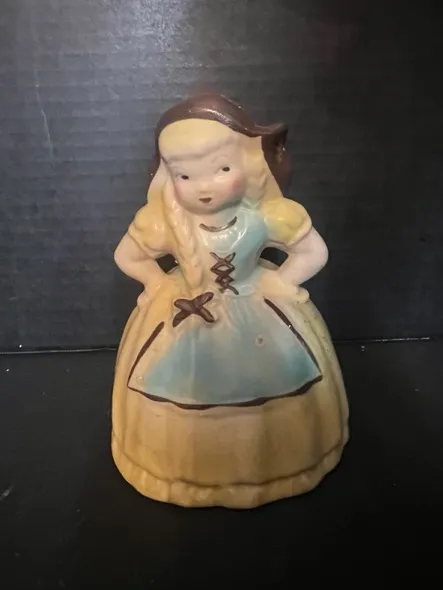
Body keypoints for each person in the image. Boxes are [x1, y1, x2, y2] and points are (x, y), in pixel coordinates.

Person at [111, 93, 349, 508]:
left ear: (248, 165)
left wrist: (282, 283)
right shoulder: (164, 222)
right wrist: (156, 283)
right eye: (186, 176)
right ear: (169, 176)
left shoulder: (266, 216)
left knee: (277, 388)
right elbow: (128, 256)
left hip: (257, 311)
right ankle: (177, 472)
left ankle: (282, 465)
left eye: (221, 169)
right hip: (187, 313)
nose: (204, 187)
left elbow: (313, 252)